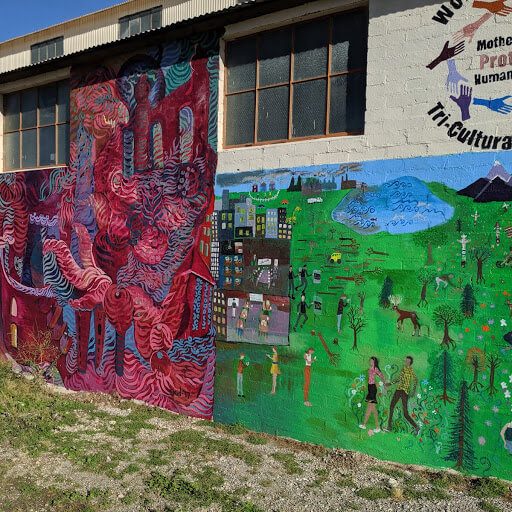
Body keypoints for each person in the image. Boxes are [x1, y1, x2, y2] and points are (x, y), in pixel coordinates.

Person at [385, 356, 419, 435]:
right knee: (391, 406)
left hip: (404, 392)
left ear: (410, 362)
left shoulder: (411, 370)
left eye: (408, 361)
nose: (406, 362)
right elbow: (399, 378)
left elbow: (415, 380)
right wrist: (390, 383)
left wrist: (413, 391)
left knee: (405, 413)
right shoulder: (403, 368)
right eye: (406, 360)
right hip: (399, 390)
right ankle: (389, 427)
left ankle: (416, 427)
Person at [359, 357, 387, 432]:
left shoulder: (375, 369)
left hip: (373, 389)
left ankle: (365, 424)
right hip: (370, 388)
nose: (370, 362)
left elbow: (382, 376)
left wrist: (384, 385)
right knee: (373, 409)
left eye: (372, 361)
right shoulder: (369, 369)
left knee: (369, 407)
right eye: (370, 360)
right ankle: (377, 427)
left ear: (375, 362)